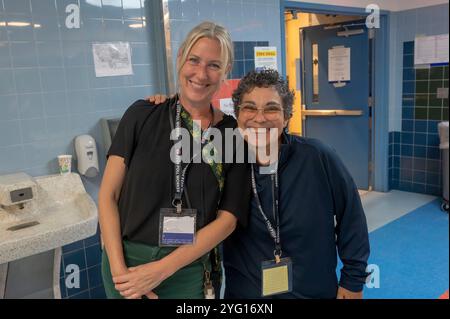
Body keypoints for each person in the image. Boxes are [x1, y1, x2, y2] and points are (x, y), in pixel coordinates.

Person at [147, 69, 370, 299]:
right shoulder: (225, 159)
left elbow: (351, 218)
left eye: (271, 108)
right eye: (250, 107)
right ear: (238, 114)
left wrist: (353, 280)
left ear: (286, 117)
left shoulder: (317, 157)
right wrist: (166, 108)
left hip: (311, 291)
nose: (260, 118)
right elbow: (176, 160)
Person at [98, 21, 251, 299]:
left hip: (188, 270)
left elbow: (228, 219)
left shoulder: (231, 134)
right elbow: (108, 194)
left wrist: (161, 270)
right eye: (194, 60)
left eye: (214, 65)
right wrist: (120, 273)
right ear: (180, 58)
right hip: (125, 264)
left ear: (225, 72)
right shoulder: (142, 115)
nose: (201, 73)